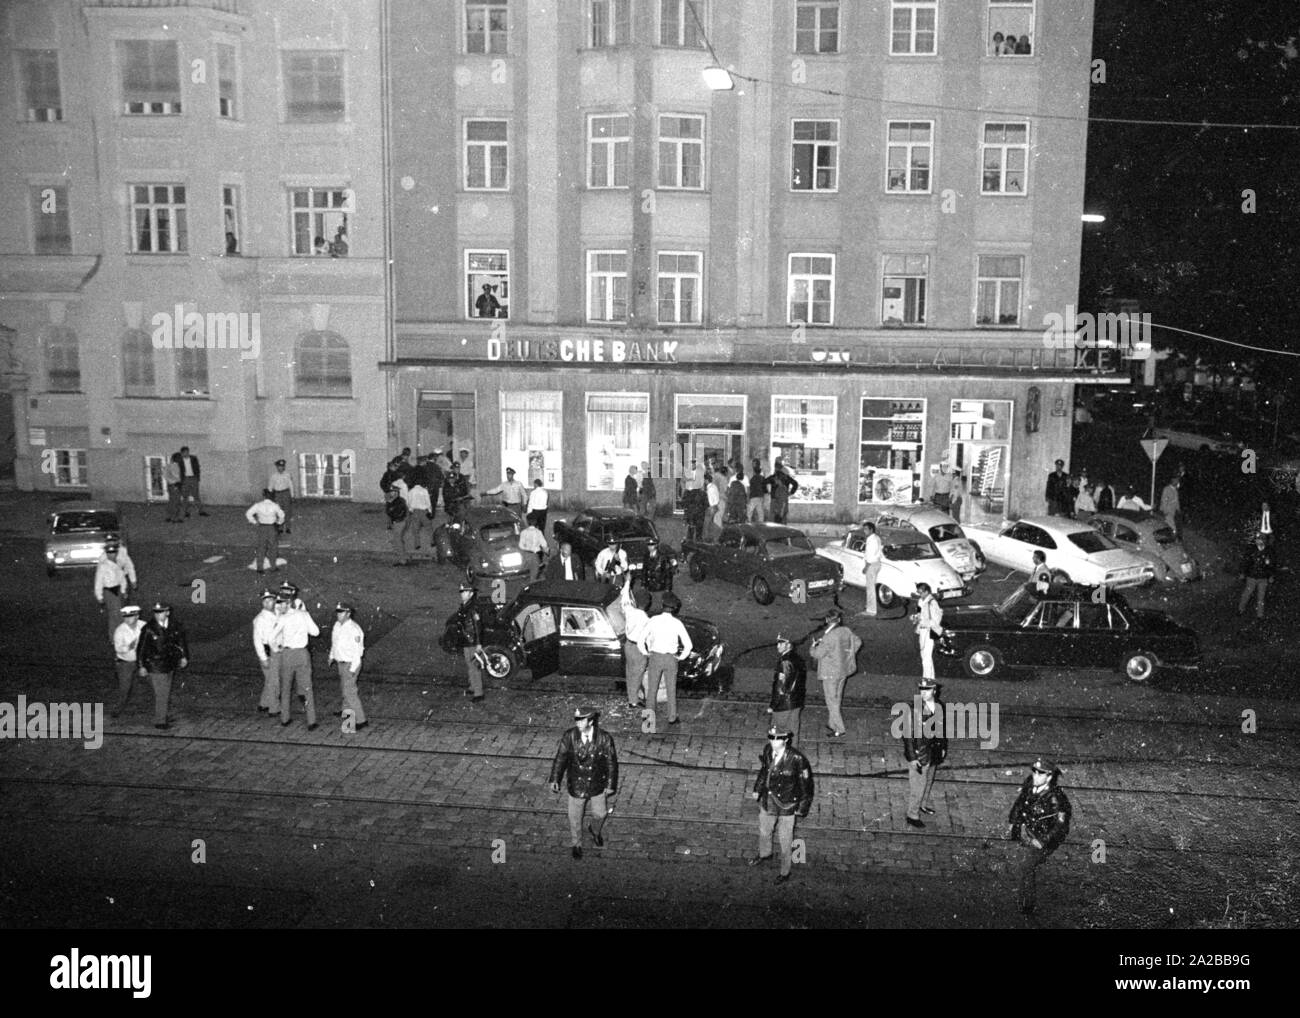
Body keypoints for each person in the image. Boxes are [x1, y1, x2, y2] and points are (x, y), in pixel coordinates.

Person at [549, 706, 618, 860]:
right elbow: (560, 758)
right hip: (577, 783)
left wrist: (610, 784)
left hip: (597, 782)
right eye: (577, 720)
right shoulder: (569, 736)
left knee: (600, 814)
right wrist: (555, 779)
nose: (578, 723)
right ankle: (577, 844)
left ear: (591, 721)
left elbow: (611, 763)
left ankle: (595, 830)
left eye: (581, 720)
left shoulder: (604, 738)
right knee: (574, 817)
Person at [748, 727, 814, 883]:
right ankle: (765, 854)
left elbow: (807, 786)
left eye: (777, 739)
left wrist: (802, 808)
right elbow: (764, 771)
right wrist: (757, 788)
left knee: (785, 840)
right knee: (764, 831)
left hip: (787, 805)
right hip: (768, 800)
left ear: (786, 740)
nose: (773, 741)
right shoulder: (767, 750)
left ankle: (785, 872)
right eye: (771, 738)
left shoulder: (798, 759)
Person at [1007, 758, 1071, 917]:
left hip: (1044, 838)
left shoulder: (1056, 799)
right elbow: (1020, 802)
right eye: (1035, 772)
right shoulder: (1030, 783)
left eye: (1040, 774)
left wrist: (1042, 841)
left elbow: (1060, 827)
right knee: (1024, 864)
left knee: (1026, 867)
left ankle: (1026, 905)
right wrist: (1013, 821)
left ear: (1049, 777)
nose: (1036, 776)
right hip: (1028, 830)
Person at [900, 677, 947, 829]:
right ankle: (912, 815)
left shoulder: (939, 705)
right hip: (920, 753)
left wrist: (943, 746)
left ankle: (923, 804)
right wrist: (913, 758)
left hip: (934, 752)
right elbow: (907, 736)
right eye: (922, 690)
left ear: (934, 690)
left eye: (927, 690)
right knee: (918, 785)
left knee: (929, 780)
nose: (924, 693)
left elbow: (941, 729)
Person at [640, 594, 692, 728]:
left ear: (662, 606)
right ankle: (672, 717)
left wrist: (646, 653)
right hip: (671, 659)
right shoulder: (677, 623)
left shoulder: (653, 620)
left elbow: (641, 640)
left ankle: (648, 723)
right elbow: (688, 645)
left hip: (655, 657)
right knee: (671, 689)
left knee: (651, 690)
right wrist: (680, 657)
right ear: (674, 609)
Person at [808, 607, 861, 738]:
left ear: (827, 620)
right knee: (837, 698)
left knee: (832, 701)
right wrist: (846, 654)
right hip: (843, 670)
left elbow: (817, 654)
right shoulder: (846, 631)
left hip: (830, 673)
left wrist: (813, 646)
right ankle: (832, 723)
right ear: (839, 619)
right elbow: (858, 642)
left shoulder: (829, 637)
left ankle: (839, 728)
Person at [136, 603, 189, 730]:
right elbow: (141, 649)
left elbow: (181, 642)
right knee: (162, 693)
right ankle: (160, 720)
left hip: (169, 664)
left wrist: (183, 656)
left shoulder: (175, 626)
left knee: (165, 691)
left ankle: (163, 715)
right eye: (156, 612)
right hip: (155, 666)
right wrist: (141, 665)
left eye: (161, 612)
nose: (158, 615)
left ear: (167, 613)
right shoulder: (149, 628)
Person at [273, 594, 319, 730]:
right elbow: (315, 632)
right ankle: (311, 721)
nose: (279, 606)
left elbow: (272, 637)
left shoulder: (282, 618)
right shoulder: (304, 614)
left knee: (286, 688)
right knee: (307, 689)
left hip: (287, 654)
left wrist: (278, 648)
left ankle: (285, 718)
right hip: (302, 654)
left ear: (288, 603)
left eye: (281, 603)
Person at [329, 603, 368, 731]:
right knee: (345, 689)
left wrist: (352, 669)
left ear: (348, 614)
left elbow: (358, 652)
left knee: (349, 692)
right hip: (341, 662)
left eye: (341, 612)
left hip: (351, 664)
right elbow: (335, 643)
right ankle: (346, 714)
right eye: (338, 612)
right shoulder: (337, 625)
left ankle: (361, 720)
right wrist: (332, 656)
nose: (338, 615)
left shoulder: (354, 629)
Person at [94, 537, 137, 644]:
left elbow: (122, 576)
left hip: (118, 590)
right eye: (109, 552)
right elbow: (98, 581)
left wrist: (124, 589)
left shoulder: (119, 561)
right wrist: (99, 596)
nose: (112, 554)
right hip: (109, 591)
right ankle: (114, 637)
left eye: (114, 552)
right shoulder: (103, 564)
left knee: (120, 613)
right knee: (115, 615)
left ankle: (121, 635)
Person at [450, 582, 486, 701]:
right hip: (467, 640)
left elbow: (477, 626)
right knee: (470, 665)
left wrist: (479, 643)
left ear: (470, 593)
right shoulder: (467, 605)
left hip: (472, 642)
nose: (462, 594)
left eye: (464, 592)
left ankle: (478, 693)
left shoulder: (472, 607)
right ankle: (473, 686)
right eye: (462, 592)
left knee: (474, 667)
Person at [768, 634, 807, 742]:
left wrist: (773, 705)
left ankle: (778, 757)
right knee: (793, 732)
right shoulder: (798, 658)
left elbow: (780, 687)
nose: (778, 646)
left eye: (781, 643)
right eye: (778, 643)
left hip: (784, 704)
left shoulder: (785, 662)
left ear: (789, 645)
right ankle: (793, 756)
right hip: (796, 702)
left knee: (777, 732)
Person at [620, 578, 651, 708]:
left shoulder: (629, 610)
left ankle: (632, 695)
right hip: (638, 648)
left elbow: (624, 597)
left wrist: (627, 582)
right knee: (638, 674)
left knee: (630, 672)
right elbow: (647, 638)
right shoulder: (644, 618)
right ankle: (633, 701)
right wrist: (648, 652)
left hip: (628, 645)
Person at [110, 605, 144, 719]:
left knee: (149, 683)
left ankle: (143, 706)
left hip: (141, 661)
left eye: (130, 617)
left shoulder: (143, 625)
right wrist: (128, 647)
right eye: (125, 617)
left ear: (137, 616)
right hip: (125, 662)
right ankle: (118, 709)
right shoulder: (120, 630)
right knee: (124, 687)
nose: (127, 619)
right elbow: (118, 648)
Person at [252, 589, 281, 715]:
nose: (267, 603)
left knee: (270, 679)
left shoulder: (278, 613)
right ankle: (274, 709)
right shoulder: (260, 619)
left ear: (275, 601)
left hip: (278, 650)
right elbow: (257, 640)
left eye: (270, 600)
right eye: (265, 601)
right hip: (268, 652)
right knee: (275, 681)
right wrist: (263, 658)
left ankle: (264, 703)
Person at [245, 489, 286, 574]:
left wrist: (254, 522)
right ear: (272, 497)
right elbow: (282, 515)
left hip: (262, 527)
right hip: (271, 527)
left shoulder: (258, 505)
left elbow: (248, 513)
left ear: (264, 496)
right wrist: (279, 522)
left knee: (261, 547)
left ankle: (260, 567)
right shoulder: (275, 505)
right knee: (273, 548)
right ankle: (273, 567)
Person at [1238, 533, 1274, 619]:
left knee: (1261, 597)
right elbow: (1246, 562)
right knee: (1246, 594)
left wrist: (1271, 576)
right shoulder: (1252, 551)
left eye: (1262, 539)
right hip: (1252, 577)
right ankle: (1240, 609)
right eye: (1258, 539)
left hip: (1263, 578)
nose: (1260, 541)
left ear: (1265, 541)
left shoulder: (1269, 552)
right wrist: (1243, 573)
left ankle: (1260, 615)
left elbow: (1271, 565)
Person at [913, 582, 943, 681]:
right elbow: (919, 613)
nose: (919, 595)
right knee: (924, 656)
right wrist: (916, 618)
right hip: (922, 631)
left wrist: (922, 621)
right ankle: (929, 678)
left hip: (928, 632)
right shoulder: (921, 601)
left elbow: (936, 621)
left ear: (927, 592)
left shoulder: (932, 603)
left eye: (921, 592)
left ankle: (927, 679)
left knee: (926, 657)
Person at [171, 446, 208, 517]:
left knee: (196, 495)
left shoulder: (194, 458)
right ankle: (185, 512)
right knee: (185, 496)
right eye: (185, 453)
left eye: (187, 452)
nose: (186, 454)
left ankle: (201, 511)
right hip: (185, 479)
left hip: (193, 478)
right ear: (181, 453)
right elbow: (175, 468)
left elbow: (197, 468)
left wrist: (197, 478)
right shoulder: (179, 460)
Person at [858, 521, 884, 617]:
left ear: (871, 529)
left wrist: (866, 567)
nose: (864, 531)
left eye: (866, 529)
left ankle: (871, 610)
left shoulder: (872, 540)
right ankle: (870, 606)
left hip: (871, 565)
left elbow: (871, 556)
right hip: (876, 563)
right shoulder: (876, 538)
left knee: (870, 588)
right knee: (871, 587)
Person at [403, 479, 433, 553]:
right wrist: (430, 511)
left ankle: (417, 544)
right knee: (429, 527)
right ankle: (432, 541)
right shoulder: (424, 491)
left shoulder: (411, 491)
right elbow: (428, 502)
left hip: (415, 512)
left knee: (415, 529)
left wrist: (410, 510)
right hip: (424, 511)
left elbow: (408, 503)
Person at [768, 458, 800, 524]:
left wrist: (790, 493)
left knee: (778, 520)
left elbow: (782, 504)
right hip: (780, 502)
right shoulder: (784, 473)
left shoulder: (782, 475)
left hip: (779, 504)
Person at [267, 458, 294, 534]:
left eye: (282, 466)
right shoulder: (273, 476)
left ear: (284, 467)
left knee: (287, 511)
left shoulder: (287, 475)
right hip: (277, 494)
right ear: (277, 467)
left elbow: (291, 485)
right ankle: (280, 528)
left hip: (286, 493)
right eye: (279, 466)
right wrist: (269, 497)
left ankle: (288, 527)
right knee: (279, 511)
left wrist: (292, 496)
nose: (280, 468)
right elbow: (270, 486)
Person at [164, 457, 183, 523]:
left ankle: (169, 517)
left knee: (171, 501)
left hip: (170, 485)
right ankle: (175, 518)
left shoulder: (168, 466)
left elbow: (166, 476)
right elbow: (179, 477)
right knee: (176, 502)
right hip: (176, 485)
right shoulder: (177, 466)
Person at [702, 471, 721, 540]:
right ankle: (712, 536)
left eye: (704, 480)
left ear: (706, 480)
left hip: (711, 507)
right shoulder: (714, 486)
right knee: (710, 523)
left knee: (706, 524)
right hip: (715, 506)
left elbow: (710, 501)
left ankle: (706, 538)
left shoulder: (709, 489)